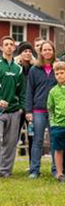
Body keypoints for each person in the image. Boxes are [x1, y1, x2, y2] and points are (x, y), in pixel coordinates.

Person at [25, 40, 58, 178]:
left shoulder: (58, 68)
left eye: (50, 49)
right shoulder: (34, 70)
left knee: (55, 141)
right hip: (38, 110)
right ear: (41, 52)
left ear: (53, 51)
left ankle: (56, 169)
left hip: (55, 111)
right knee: (37, 141)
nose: (47, 52)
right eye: (45, 50)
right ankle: (34, 170)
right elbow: (29, 91)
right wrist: (28, 111)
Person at [0, 36, 25, 177]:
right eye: (6, 44)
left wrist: (21, 108)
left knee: (10, 143)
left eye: (11, 44)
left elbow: (22, 91)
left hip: (14, 111)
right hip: (0, 111)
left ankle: (5, 171)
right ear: (2, 48)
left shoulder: (18, 69)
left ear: (14, 48)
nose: (9, 47)